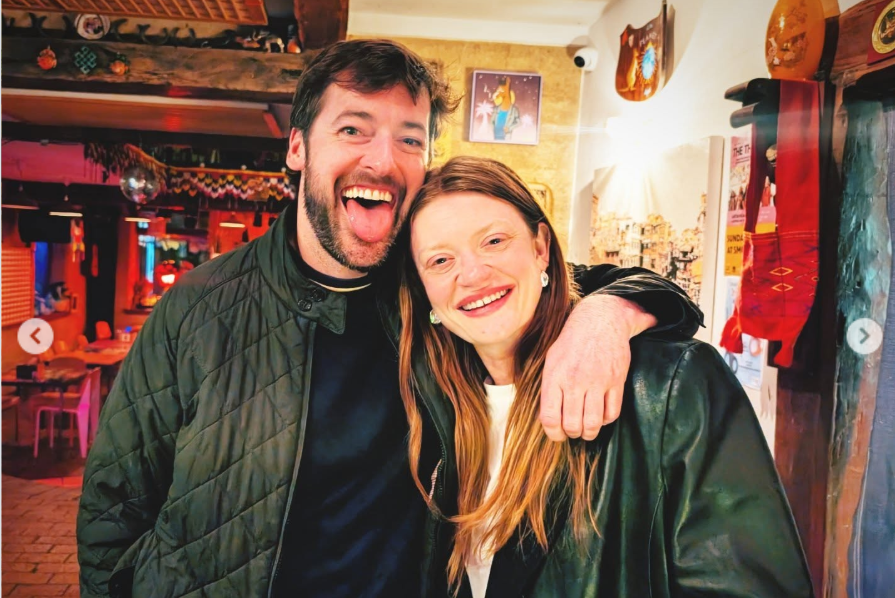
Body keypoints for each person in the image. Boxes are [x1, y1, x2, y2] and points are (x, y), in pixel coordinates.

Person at [76, 40, 702, 598]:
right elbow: (112, 512)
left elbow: (555, 283)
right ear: (297, 147)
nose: (383, 159)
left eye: (409, 138)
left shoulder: (438, 293)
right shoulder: (198, 304)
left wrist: (607, 314)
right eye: (354, 129)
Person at [398, 156, 814, 598]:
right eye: (441, 260)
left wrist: (609, 309)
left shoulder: (669, 384)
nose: (473, 274)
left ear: (540, 247)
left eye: (494, 241)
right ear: (422, 285)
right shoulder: (438, 406)